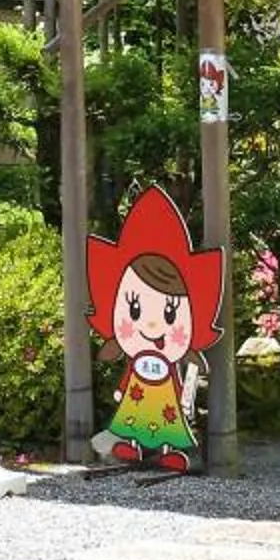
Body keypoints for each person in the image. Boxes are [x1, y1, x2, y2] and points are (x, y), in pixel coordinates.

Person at [85, 185, 224, 473]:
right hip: (137, 391)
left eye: (170, 313)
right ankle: (132, 445)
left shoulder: (177, 352)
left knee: (167, 422)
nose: (150, 325)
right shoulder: (132, 350)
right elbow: (125, 380)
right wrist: (121, 392)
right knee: (132, 418)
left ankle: (168, 450)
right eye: (134, 309)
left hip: (166, 397)